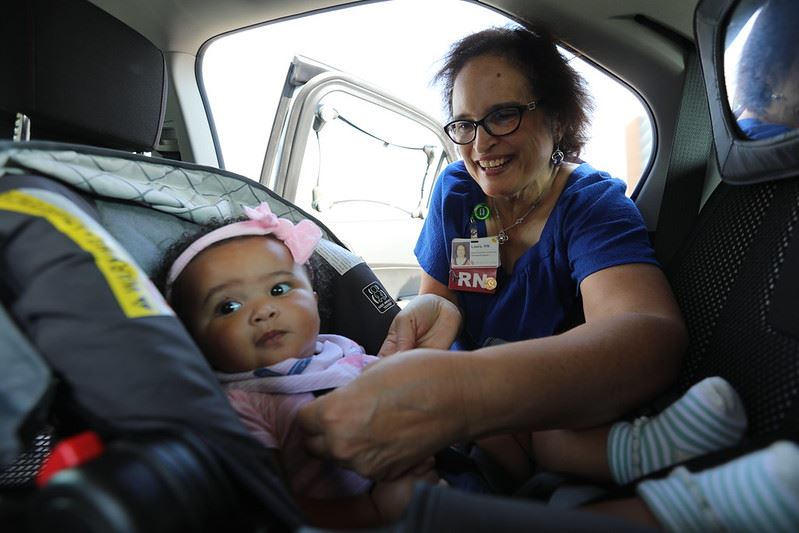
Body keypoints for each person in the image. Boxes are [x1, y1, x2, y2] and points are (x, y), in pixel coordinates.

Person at [299, 22, 687, 486]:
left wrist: (463, 395)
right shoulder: (460, 195)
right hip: (463, 425)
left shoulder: (589, 206)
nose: (481, 144)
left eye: (503, 115)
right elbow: (447, 300)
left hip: (544, 426)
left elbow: (648, 336)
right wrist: (431, 308)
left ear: (558, 119)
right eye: (465, 124)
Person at [159, 202, 439, 528]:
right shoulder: (243, 404)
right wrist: (372, 511)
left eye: (279, 289)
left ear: (316, 303)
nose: (263, 311)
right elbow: (270, 503)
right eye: (229, 306)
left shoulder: (341, 350)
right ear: (195, 338)